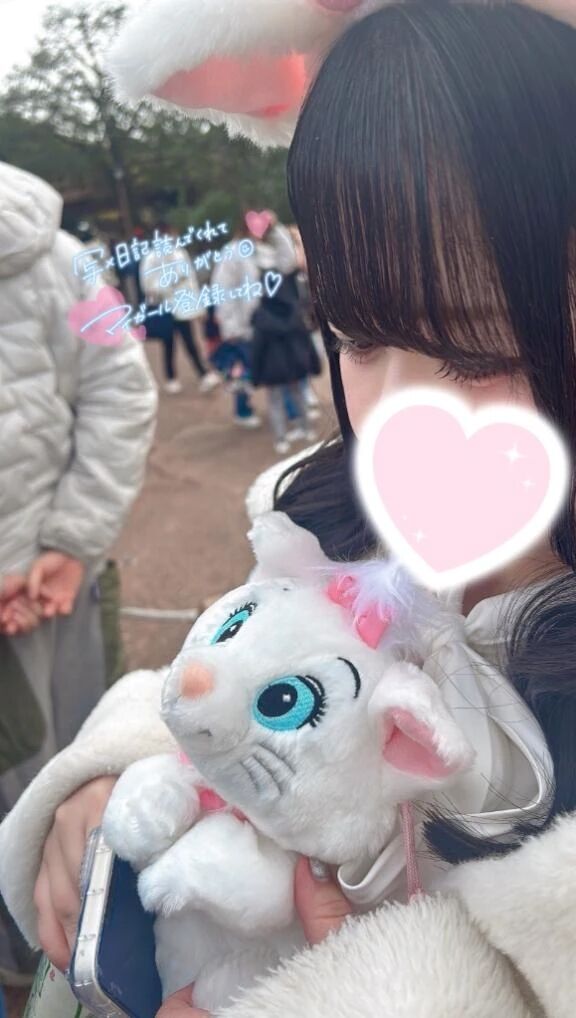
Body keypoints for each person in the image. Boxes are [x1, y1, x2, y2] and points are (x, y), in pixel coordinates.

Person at [1, 4, 576, 1016]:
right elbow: (243, 677)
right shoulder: (319, 521)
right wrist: (132, 765)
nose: (390, 419)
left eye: (476, 351)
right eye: (355, 334)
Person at [0, 161, 157, 986]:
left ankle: (71, 958)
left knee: (75, 759)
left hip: (54, 585)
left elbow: (121, 389)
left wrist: (69, 542)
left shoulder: (61, 258)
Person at [210, 214, 299, 429]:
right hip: (244, 324)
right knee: (243, 369)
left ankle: (290, 410)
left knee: (276, 364)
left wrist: (277, 229)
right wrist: (230, 326)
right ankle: (243, 410)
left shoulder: (264, 250)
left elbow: (288, 263)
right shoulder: (232, 252)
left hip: (268, 321)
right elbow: (222, 289)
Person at [139, 223, 221, 396]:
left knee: (189, 341)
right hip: (165, 306)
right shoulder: (152, 258)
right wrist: (168, 285)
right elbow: (148, 284)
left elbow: (191, 281)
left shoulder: (179, 254)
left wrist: (197, 306)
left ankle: (202, 374)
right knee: (169, 343)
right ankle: (171, 378)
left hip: (182, 306)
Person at [250, 272, 321, 454]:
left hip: (272, 368)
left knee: (275, 403)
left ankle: (281, 439)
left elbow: (257, 348)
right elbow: (306, 340)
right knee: (299, 395)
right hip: (295, 364)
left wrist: (255, 375)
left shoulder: (261, 315)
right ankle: (307, 429)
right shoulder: (294, 311)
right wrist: (314, 364)